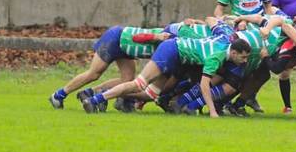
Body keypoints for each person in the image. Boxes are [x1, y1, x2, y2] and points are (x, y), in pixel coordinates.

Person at [82, 35, 250, 117]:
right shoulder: (217, 56)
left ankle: (101, 96)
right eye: (243, 57)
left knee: (150, 94)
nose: (244, 61)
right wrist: (213, 112)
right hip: (171, 51)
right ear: (234, 52)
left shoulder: (225, 43)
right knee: (139, 84)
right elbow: (204, 85)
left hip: (178, 56)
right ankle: (95, 99)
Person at [48, 24, 173, 110]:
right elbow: (136, 37)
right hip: (115, 39)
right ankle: (58, 95)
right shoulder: (167, 37)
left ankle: (92, 93)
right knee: (94, 74)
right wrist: (157, 37)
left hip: (126, 50)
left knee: (128, 80)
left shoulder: (175, 43)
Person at [213, 0, 273, 112]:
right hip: (239, 26)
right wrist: (223, 22)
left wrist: (271, 24)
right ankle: (224, 100)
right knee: (240, 66)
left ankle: (247, 97)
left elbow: (268, 8)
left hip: (258, 26)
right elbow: (219, 9)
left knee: (263, 70)